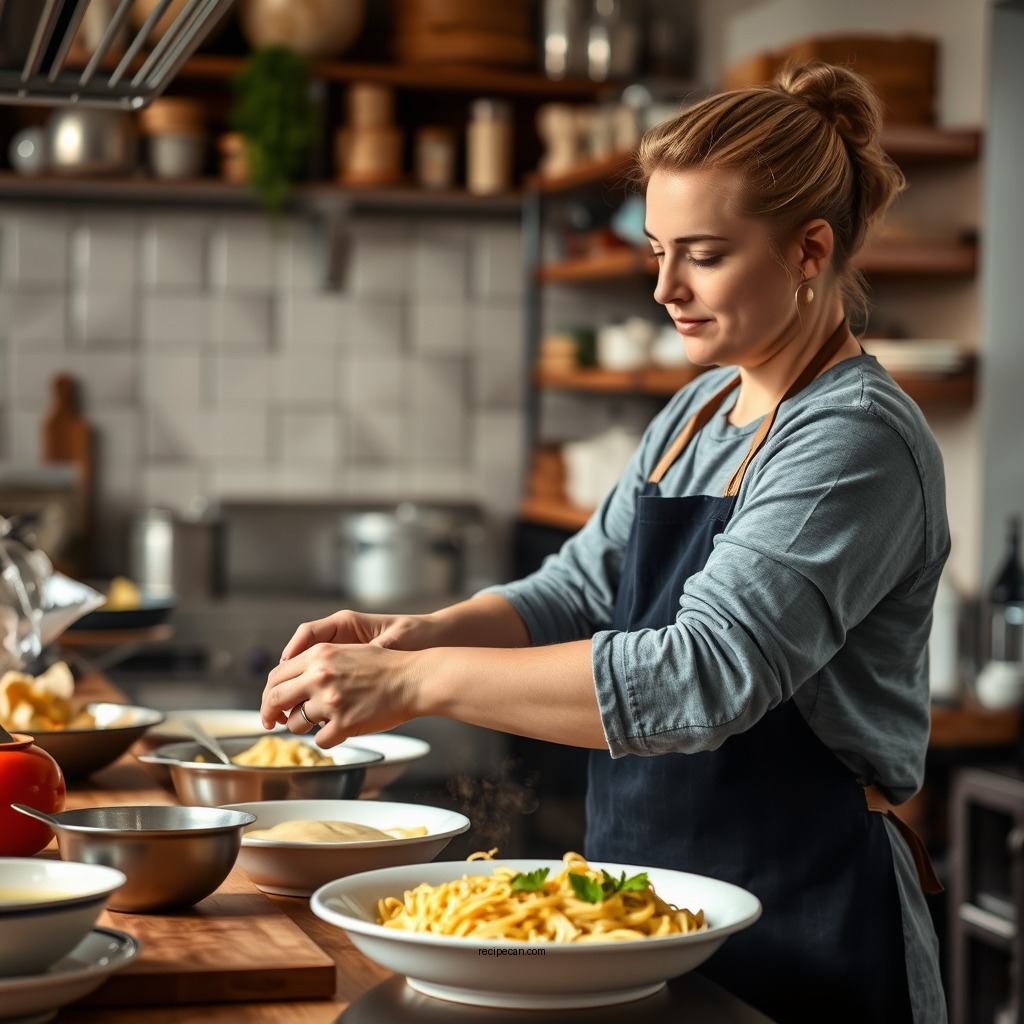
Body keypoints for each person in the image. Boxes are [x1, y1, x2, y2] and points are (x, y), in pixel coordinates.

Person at [261, 60, 949, 1024]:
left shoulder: (852, 439)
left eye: (702, 255)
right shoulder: (695, 411)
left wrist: (420, 684)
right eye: (659, 249)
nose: (664, 287)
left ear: (808, 251)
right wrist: (416, 634)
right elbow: (579, 588)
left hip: (806, 921)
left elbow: (703, 676)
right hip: (644, 917)